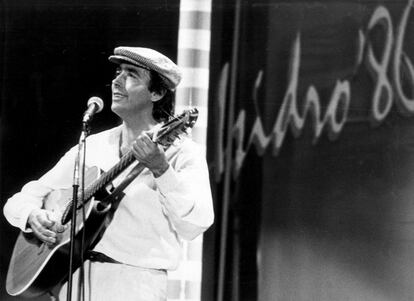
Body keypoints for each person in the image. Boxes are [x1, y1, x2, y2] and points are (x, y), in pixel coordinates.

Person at [3, 46, 214, 300]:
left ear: (157, 93)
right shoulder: (91, 146)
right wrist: (31, 215)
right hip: (74, 279)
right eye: (118, 72)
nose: (117, 81)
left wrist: (162, 169)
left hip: (135, 284)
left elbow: (195, 224)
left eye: (132, 74)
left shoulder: (183, 153)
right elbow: (18, 200)